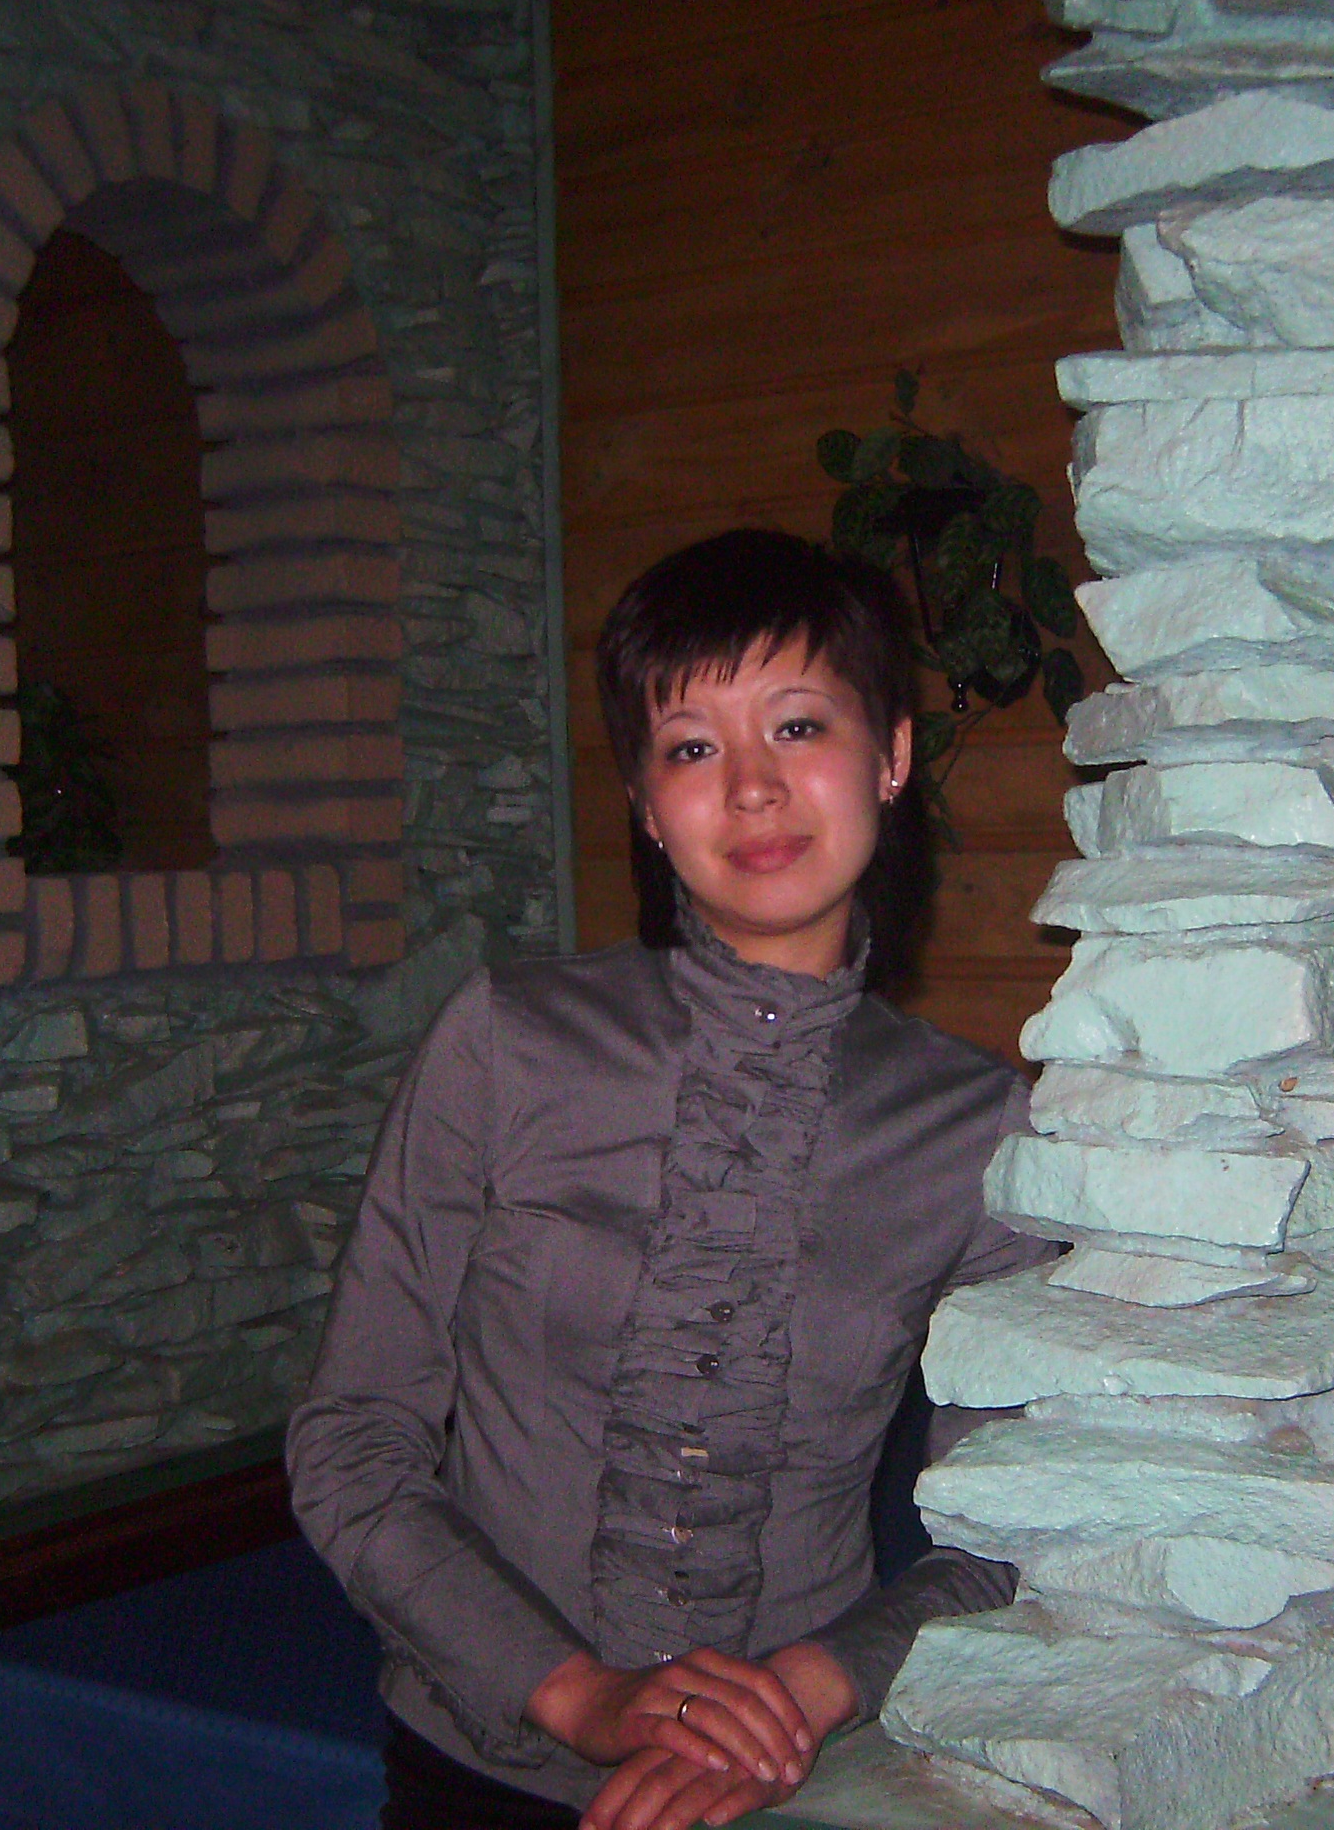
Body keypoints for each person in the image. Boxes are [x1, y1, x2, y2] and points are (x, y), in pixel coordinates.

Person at [288, 530, 1056, 1830]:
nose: (752, 788)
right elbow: (354, 1438)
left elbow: (1014, 1525)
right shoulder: (505, 1042)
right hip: (479, 1776)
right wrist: (576, 1695)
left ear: (891, 757)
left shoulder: (981, 1129)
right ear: (646, 806)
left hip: (802, 1785)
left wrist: (812, 1689)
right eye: (693, 748)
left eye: (798, 726)